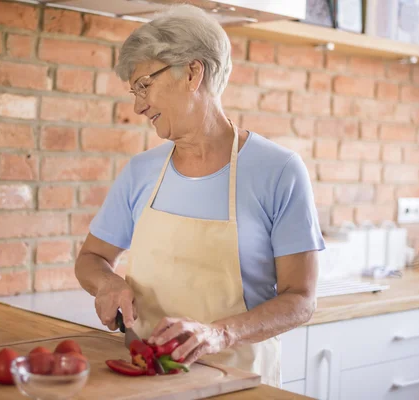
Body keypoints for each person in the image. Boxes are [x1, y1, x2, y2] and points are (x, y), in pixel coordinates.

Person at [75, 4, 325, 387]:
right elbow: (91, 259)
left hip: (238, 381)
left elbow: (301, 300)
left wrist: (218, 334)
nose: (138, 106)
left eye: (145, 85)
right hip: (146, 379)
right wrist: (108, 284)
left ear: (193, 73)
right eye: (134, 91)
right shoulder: (141, 172)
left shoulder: (279, 171)